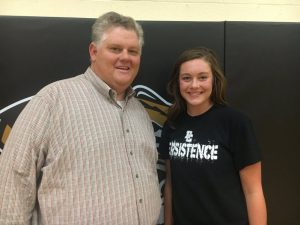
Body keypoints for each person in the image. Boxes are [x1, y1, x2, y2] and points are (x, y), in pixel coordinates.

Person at [0, 11, 161, 225]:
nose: (125, 57)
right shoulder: (53, 100)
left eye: (133, 51)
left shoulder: (140, 112)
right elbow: (14, 180)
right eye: (115, 49)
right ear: (94, 52)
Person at [158, 47, 267, 225]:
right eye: (186, 78)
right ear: (178, 82)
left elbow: (253, 191)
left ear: (214, 80)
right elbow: (170, 184)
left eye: (202, 77)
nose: (194, 85)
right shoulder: (172, 125)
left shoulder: (236, 123)